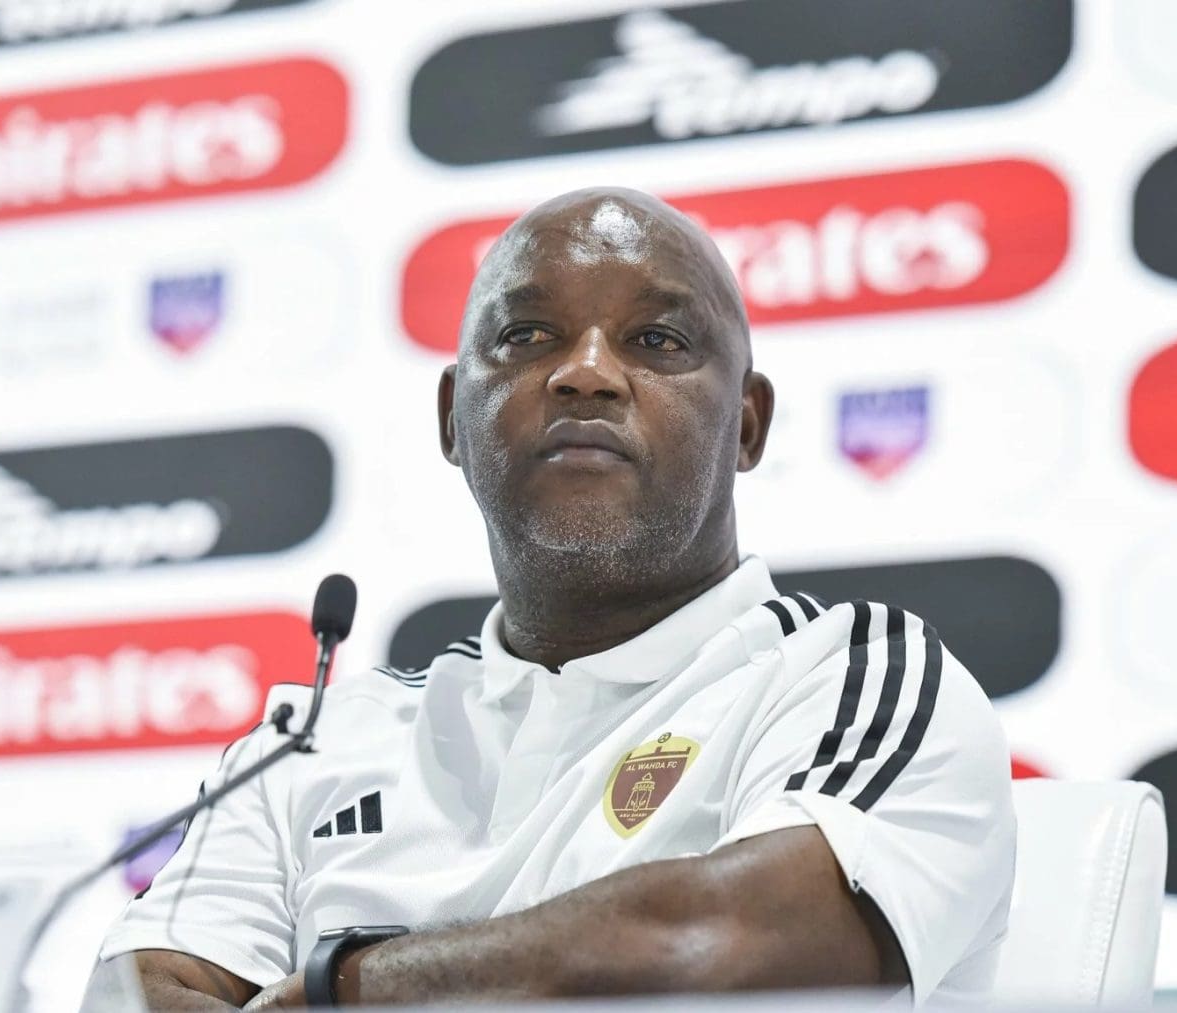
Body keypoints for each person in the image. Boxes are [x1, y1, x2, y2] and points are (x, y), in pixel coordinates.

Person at [88, 188, 1015, 1008]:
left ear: (747, 423)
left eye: (657, 340)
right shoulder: (314, 742)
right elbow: (135, 993)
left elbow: (727, 943)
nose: (586, 372)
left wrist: (344, 986)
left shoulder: (845, 677)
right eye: (527, 336)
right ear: (453, 418)